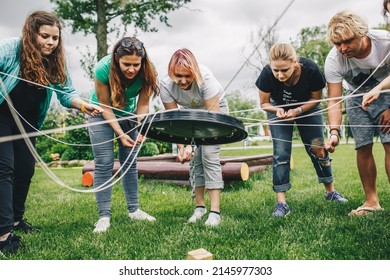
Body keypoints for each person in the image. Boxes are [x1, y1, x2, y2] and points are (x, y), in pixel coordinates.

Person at [0, 11, 103, 255]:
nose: (50, 42)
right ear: (31, 33)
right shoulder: (10, 48)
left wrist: (83, 105)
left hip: (28, 121)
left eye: (55, 38)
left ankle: (16, 220)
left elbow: (66, 93)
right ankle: (4, 234)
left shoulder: (55, 60)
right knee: (5, 168)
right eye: (44, 36)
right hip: (2, 114)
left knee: (25, 169)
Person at [255, 43, 347, 217]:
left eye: (284, 70)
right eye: (276, 70)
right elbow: (264, 104)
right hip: (279, 111)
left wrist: (298, 111)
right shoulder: (267, 74)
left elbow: (316, 99)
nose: (279, 75)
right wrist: (278, 110)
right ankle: (281, 203)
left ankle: (330, 192)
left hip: (308, 109)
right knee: (281, 154)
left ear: (294, 63)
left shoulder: (311, 69)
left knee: (319, 149)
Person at [88, 37, 159, 233]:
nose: (131, 69)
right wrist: (120, 133)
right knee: (104, 162)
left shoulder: (148, 70)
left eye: (136, 64)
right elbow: (105, 105)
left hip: (128, 114)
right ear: (116, 60)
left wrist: (141, 127)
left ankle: (134, 210)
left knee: (130, 162)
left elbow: (143, 104)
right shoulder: (103, 69)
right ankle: (104, 217)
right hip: (101, 113)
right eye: (126, 64)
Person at [325, 10, 390, 216]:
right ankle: (371, 201)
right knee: (362, 146)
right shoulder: (334, 60)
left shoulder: (385, 42)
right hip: (355, 97)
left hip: (387, 93)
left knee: (389, 142)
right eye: (337, 44)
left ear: (363, 33)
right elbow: (334, 100)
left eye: (348, 41)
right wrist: (334, 132)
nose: (342, 48)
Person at [159, 49, 228, 226]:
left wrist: (194, 142)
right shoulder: (165, 85)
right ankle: (199, 208)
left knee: (208, 156)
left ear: (194, 72)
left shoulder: (207, 81)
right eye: (178, 76)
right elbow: (175, 121)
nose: (182, 81)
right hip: (189, 115)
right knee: (195, 160)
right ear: (171, 73)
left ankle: (215, 213)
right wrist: (182, 148)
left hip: (214, 112)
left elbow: (213, 121)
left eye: (187, 76)